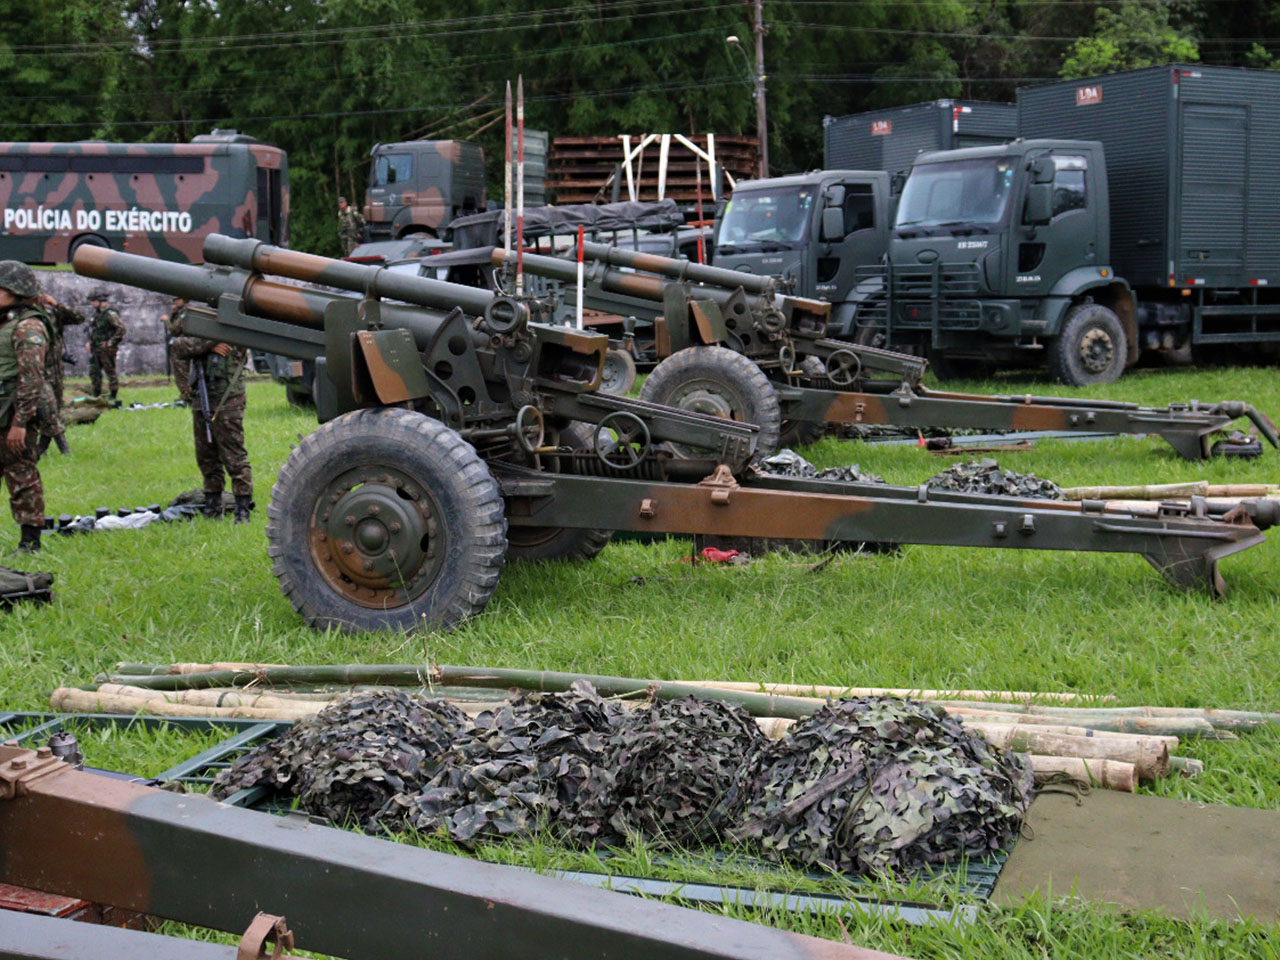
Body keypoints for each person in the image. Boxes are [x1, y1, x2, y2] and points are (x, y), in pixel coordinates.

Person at [170, 321, 252, 523]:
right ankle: (213, 506)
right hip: (202, 401)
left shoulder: (236, 329)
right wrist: (208, 345)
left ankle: (242, 510)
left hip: (227, 402)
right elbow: (177, 345)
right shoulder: (201, 331)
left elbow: (238, 341)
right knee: (206, 457)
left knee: (234, 457)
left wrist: (202, 346)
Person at [0, 261, 52, 553]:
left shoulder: (28, 326)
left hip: (14, 416)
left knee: (22, 476)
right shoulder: (5, 322)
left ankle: (30, 543)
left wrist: (19, 423)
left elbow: (32, 379)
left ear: (15, 291)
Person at [34, 292, 84, 455]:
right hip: (38, 371)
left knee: (54, 409)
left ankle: (42, 449)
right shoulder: (28, 317)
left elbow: (78, 317)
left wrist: (57, 305)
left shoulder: (53, 314)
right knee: (49, 411)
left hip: (56, 372)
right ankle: (64, 448)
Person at [87, 290, 126, 403]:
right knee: (94, 372)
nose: (92, 304)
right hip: (96, 348)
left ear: (101, 301)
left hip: (106, 349)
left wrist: (111, 342)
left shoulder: (110, 314)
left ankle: (113, 395)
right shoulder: (97, 314)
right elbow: (95, 330)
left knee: (110, 371)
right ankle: (97, 394)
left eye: (94, 301)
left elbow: (121, 328)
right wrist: (90, 342)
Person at [161, 296, 192, 404]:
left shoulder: (185, 312)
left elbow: (174, 329)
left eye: (178, 299)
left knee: (181, 373)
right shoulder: (180, 312)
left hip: (183, 347)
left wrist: (166, 321)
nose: (175, 302)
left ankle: (187, 397)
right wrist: (173, 314)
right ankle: (185, 395)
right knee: (180, 372)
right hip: (180, 346)